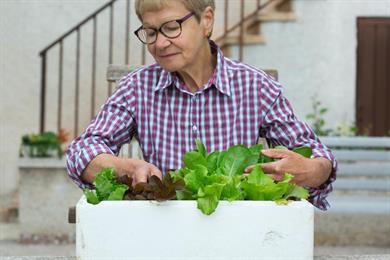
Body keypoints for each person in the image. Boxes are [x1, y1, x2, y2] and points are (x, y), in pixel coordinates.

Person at [66, 0, 337, 210]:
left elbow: (317, 157)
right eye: (150, 32)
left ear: (206, 21)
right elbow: (82, 151)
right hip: (162, 230)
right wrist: (128, 168)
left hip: (237, 232)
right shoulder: (137, 88)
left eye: (172, 27)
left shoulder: (255, 86)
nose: (160, 43)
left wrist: (312, 170)